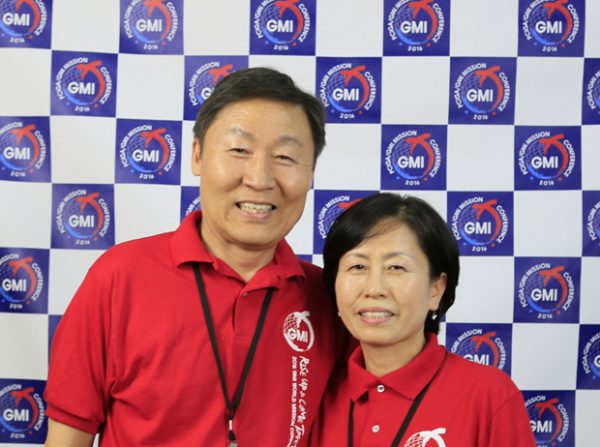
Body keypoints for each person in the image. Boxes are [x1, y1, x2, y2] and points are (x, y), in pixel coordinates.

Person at [45, 67, 344, 446]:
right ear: (198, 155)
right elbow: (68, 436)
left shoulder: (331, 297)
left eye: (285, 156)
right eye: (239, 151)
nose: (259, 178)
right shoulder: (119, 277)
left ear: (311, 172)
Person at [310, 193, 536, 447]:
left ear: (436, 289)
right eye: (357, 267)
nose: (374, 289)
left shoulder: (488, 394)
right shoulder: (315, 393)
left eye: (396, 267)